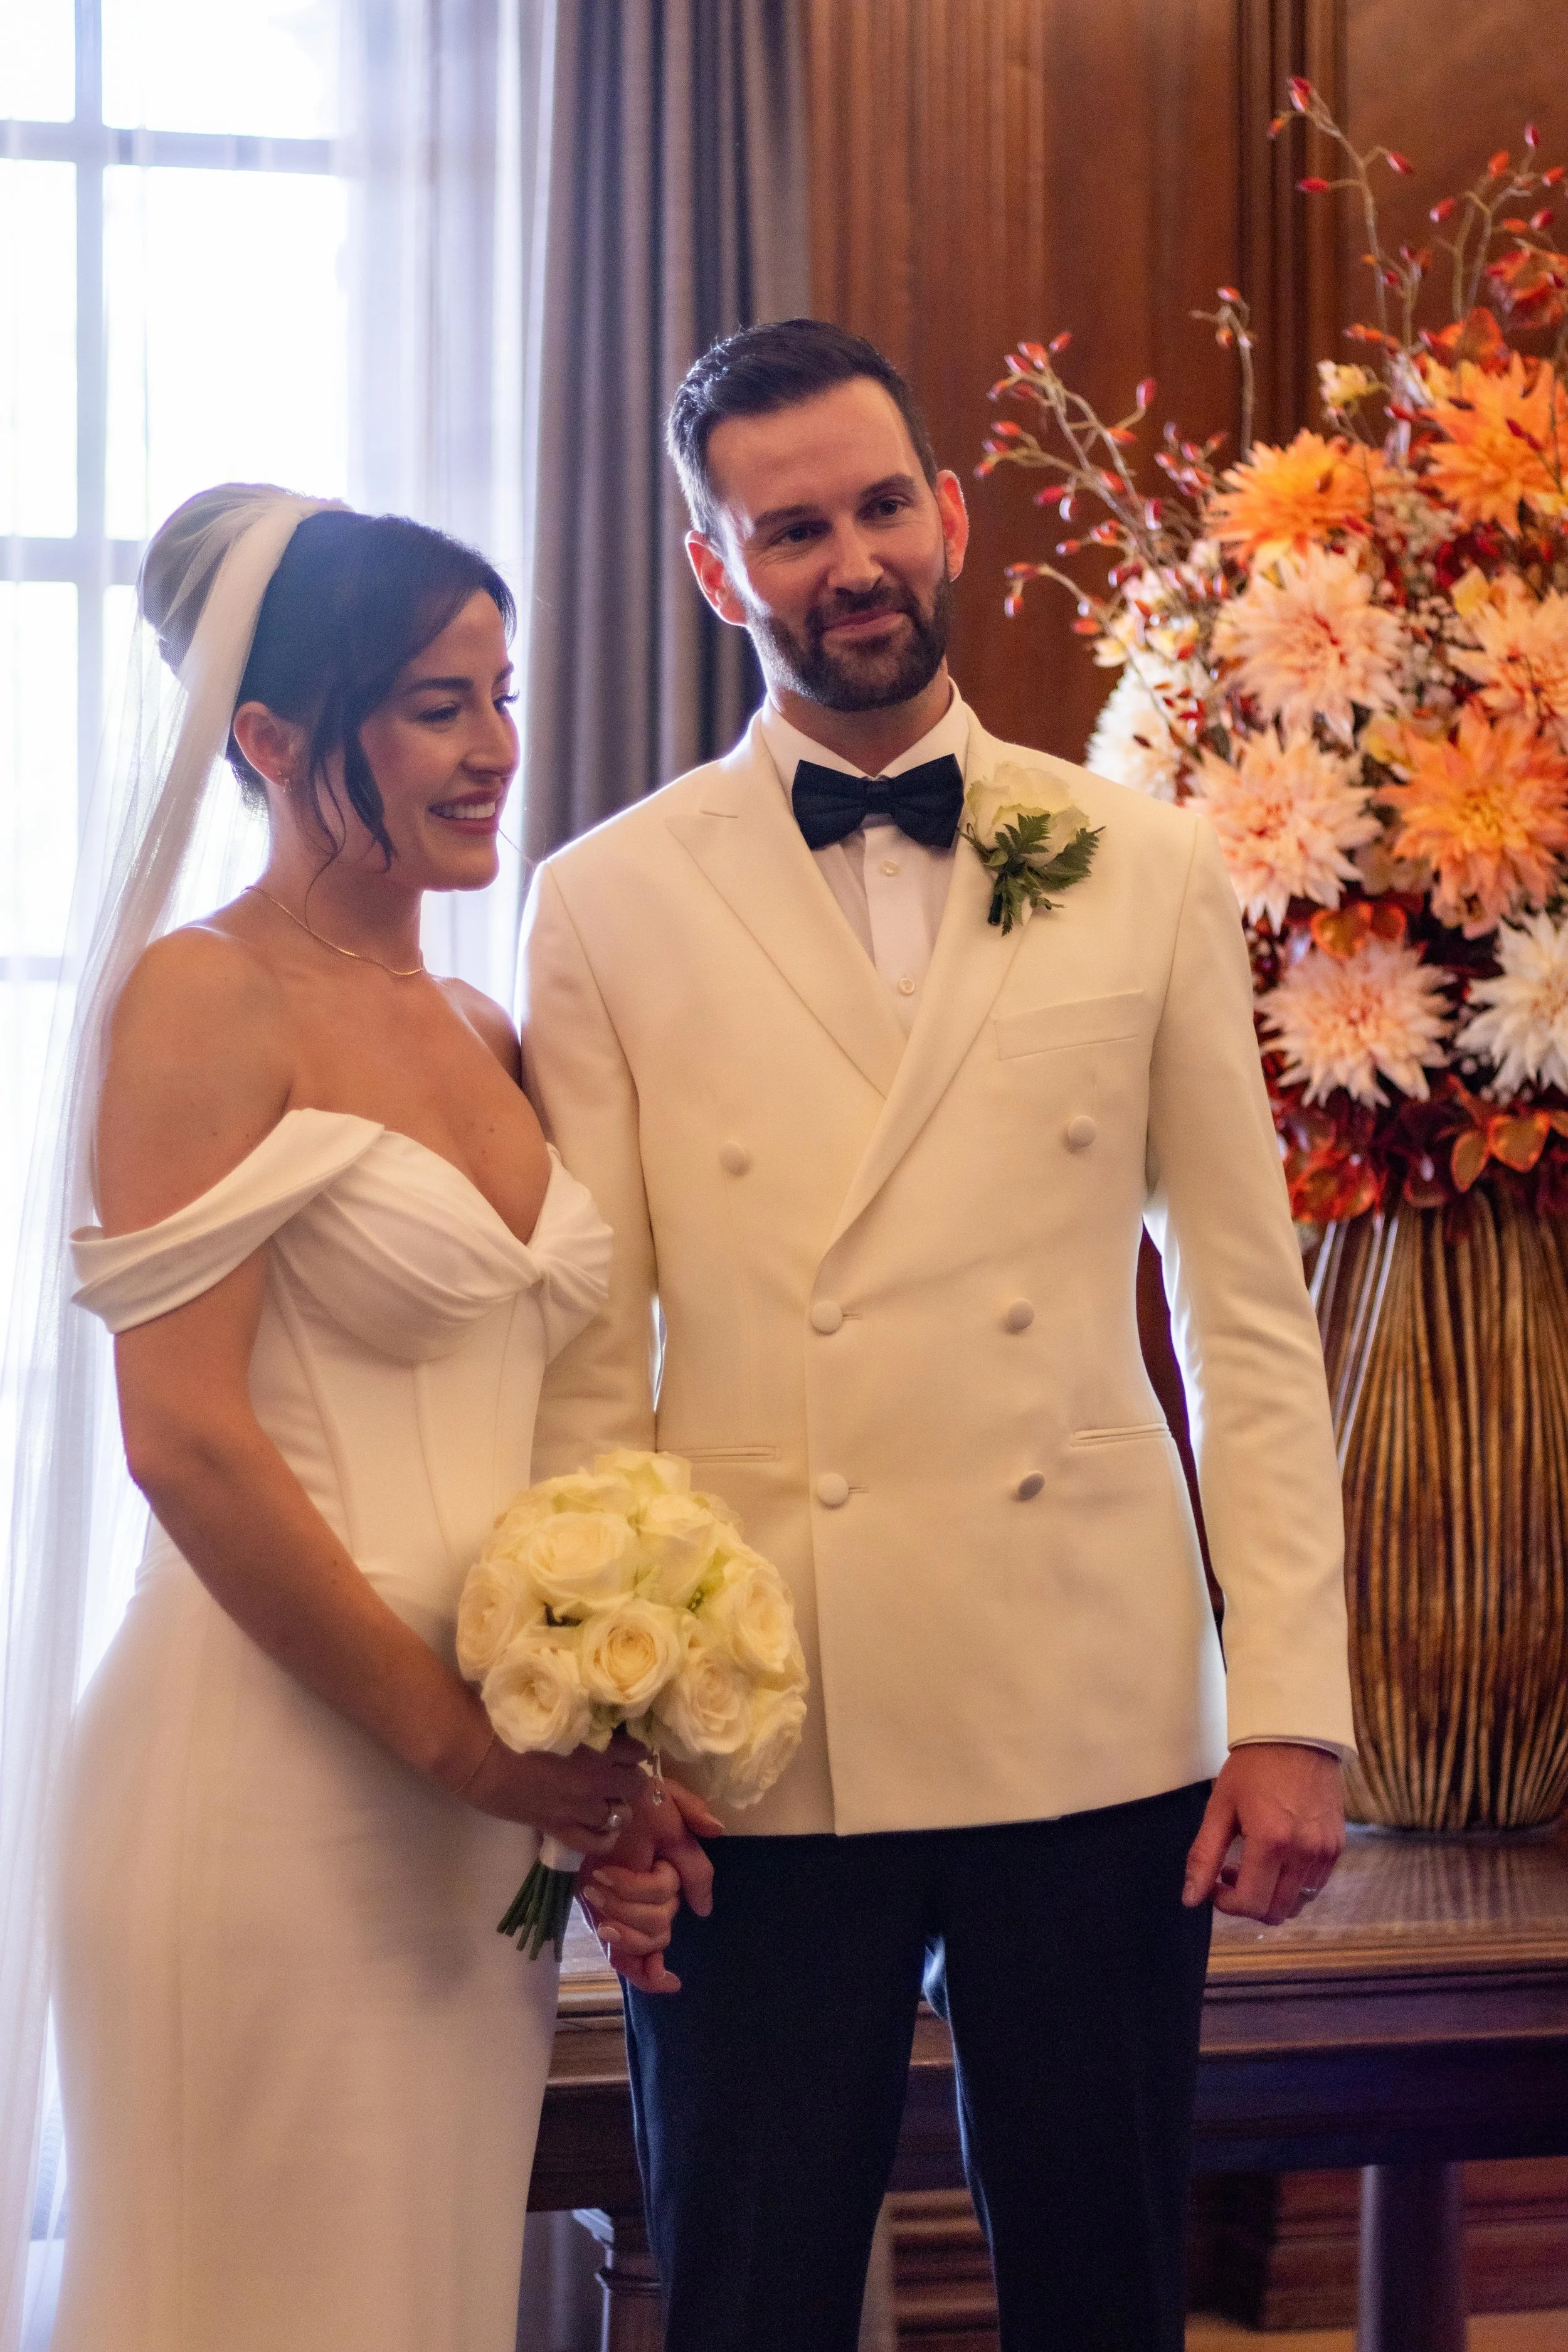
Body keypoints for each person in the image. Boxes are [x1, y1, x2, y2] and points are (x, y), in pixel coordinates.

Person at [520, 320, 1355, 2351]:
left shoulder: (1142, 860)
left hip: (1085, 1703)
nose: (851, 559)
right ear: (720, 570)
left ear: (950, 512)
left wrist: (1292, 1705)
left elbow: (1243, 1309)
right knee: (745, 2286)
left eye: (881, 504)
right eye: (789, 528)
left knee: (1098, 2289)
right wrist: (599, 1748)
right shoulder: (603, 900)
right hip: (756, 1730)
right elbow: (578, 1366)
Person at [47, 486, 716, 2352]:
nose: (496, 746)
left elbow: (548, 1434)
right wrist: (461, 1742)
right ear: (269, 738)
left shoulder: (488, 1026)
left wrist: (593, 1751)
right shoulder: (202, 998)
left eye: (501, 691)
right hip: (268, 1785)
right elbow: (183, 1442)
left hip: (470, 1833)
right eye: (436, 703)